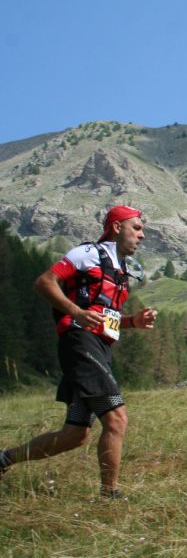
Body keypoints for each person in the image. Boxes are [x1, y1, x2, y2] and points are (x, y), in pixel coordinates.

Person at [0, 205, 157, 499]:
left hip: (98, 347)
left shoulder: (120, 270)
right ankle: (109, 496)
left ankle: (3, 459)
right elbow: (44, 282)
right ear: (117, 227)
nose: (142, 235)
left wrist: (132, 322)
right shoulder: (88, 254)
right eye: (136, 228)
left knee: (74, 434)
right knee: (117, 419)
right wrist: (76, 312)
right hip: (80, 344)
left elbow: (104, 316)